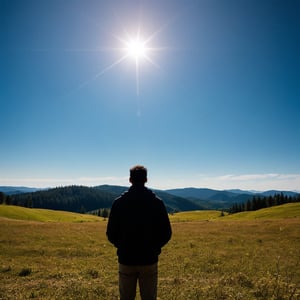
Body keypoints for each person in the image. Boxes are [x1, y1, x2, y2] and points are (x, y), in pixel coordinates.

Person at [106, 165, 172, 300]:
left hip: (126, 259)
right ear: (146, 179)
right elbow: (167, 232)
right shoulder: (157, 203)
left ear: (130, 180)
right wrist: (155, 247)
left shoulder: (118, 203)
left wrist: (122, 246)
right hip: (149, 259)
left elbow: (111, 233)